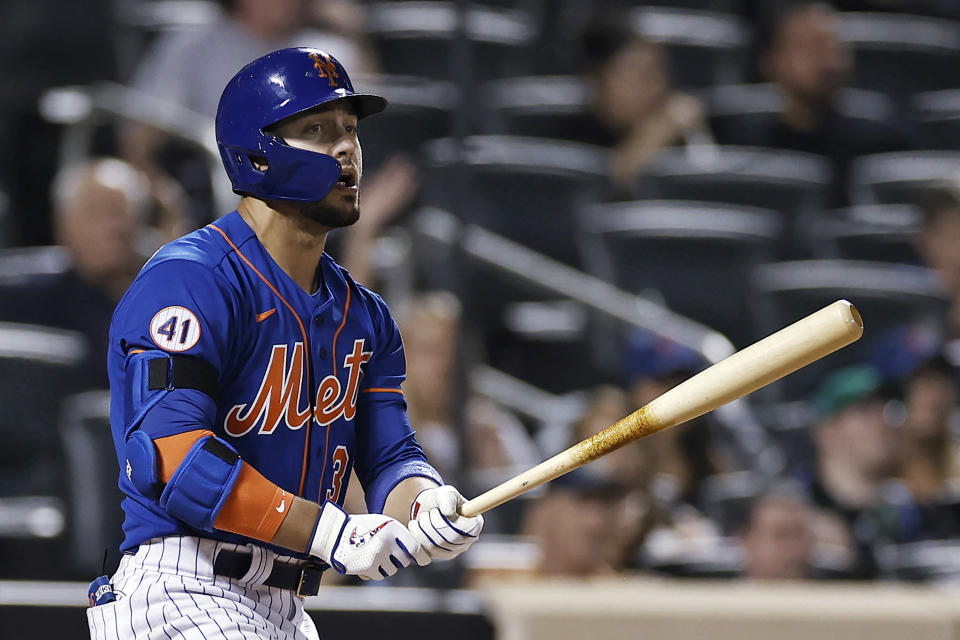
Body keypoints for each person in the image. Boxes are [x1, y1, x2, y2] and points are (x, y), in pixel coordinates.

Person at [87, 48, 483, 640]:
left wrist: (425, 506)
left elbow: (391, 459)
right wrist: (332, 533)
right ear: (256, 153)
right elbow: (174, 459)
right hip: (181, 587)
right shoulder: (192, 279)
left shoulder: (365, 316)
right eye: (318, 130)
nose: (347, 148)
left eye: (351, 130)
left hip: (285, 606)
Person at [719, 2, 911, 207]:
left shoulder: (883, 142)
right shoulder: (746, 145)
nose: (826, 60)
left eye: (831, 46)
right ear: (771, 61)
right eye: (808, 48)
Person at [0, 158, 161, 388]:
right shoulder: (26, 296)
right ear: (62, 226)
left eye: (118, 212)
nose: (111, 227)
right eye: (94, 212)